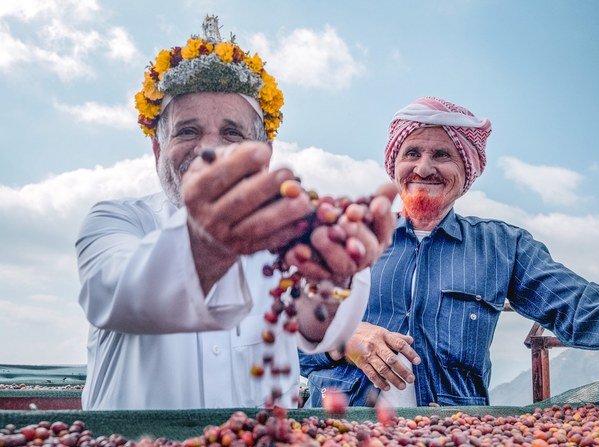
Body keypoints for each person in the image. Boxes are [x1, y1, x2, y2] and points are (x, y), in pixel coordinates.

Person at [75, 15, 396, 410]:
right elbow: (120, 293)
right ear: (158, 150)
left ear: (265, 152)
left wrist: (334, 276)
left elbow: (315, 325)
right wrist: (209, 242)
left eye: (232, 133)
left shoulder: (290, 232)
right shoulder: (114, 220)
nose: (210, 150)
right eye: (187, 131)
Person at [299, 96, 599, 407]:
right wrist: (344, 338)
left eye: (442, 155)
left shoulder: (502, 247)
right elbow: (285, 332)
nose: (424, 167)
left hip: (457, 432)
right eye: (412, 152)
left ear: (467, 170)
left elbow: (582, 310)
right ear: (395, 165)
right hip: (342, 429)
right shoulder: (346, 241)